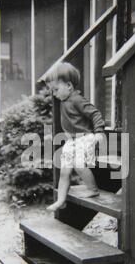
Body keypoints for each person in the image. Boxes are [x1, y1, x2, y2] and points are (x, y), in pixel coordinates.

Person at [44, 62, 105, 212]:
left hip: (85, 137)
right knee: (64, 170)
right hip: (72, 140)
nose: (54, 94)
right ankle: (61, 200)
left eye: (56, 89)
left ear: (69, 86)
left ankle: (93, 189)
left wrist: (99, 132)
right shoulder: (63, 101)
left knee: (78, 164)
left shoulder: (77, 99)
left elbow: (95, 113)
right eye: (52, 91)